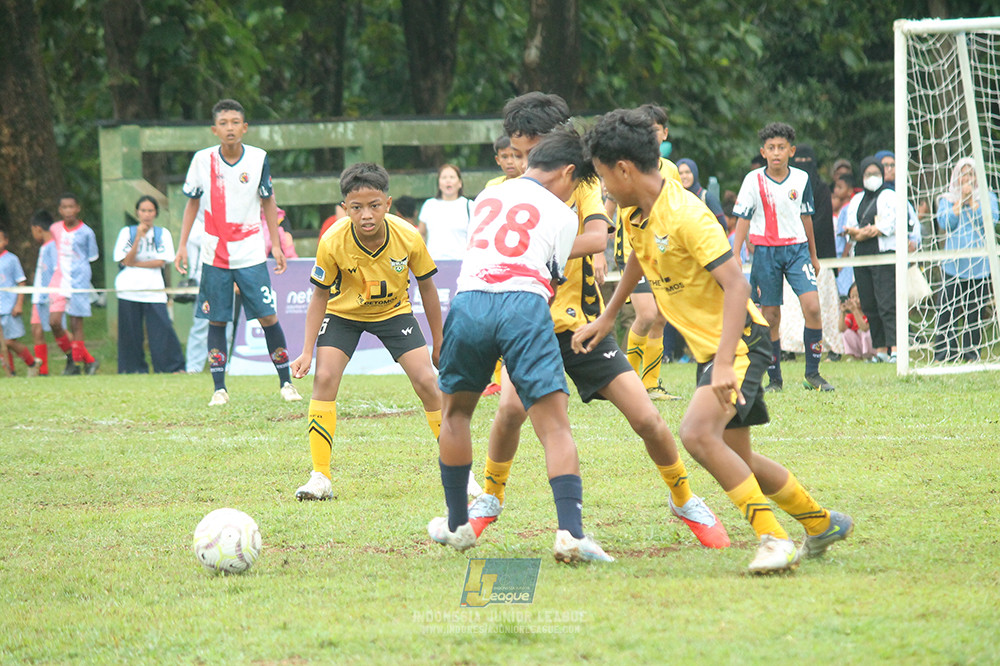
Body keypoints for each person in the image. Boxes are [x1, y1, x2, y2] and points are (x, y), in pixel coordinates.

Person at [577, 108, 852, 574]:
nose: (603, 188)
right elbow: (640, 258)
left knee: (697, 434)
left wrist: (724, 363)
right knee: (739, 458)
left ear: (623, 169)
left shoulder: (687, 214)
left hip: (739, 342)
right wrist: (607, 318)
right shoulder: (633, 212)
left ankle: (774, 538)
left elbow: (737, 285)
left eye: (603, 177)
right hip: (715, 349)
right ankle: (821, 523)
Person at [468, 96, 729, 553]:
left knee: (647, 418)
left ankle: (684, 499)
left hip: (581, 327)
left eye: (530, 152)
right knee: (509, 410)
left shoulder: (580, 181)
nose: (524, 164)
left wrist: (538, 248)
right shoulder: (504, 190)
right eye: (516, 153)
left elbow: (596, 237)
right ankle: (490, 497)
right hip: (528, 324)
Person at [427, 128, 614, 563]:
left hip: (470, 301)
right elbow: (552, 274)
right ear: (568, 172)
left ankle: (457, 525)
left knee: (455, 414)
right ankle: (570, 533)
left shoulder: (486, 197)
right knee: (555, 426)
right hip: (524, 305)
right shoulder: (563, 214)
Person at [290, 162, 451, 501]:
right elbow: (319, 295)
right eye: (356, 207)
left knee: (427, 381)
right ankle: (320, 477)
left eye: (374, 205)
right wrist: (306, 351)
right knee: (324, 378)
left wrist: (439, 343)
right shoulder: (332, 240)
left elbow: (428, 288)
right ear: (344, 208)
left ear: (387, 204)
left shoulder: (408, 236)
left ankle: (458, 470)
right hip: (344, 314)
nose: (366, 215)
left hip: (394, 312)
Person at [174, 98, 302, 406]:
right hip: (214, 254)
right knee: (217, 320)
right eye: (223, 123)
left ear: (244, 127)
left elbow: (268, 199)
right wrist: (182, 245)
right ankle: (219, 389)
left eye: (235, 122)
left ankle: (286, 383)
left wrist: (276, 244)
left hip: (251, 253)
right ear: (214, 129)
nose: (229, 128)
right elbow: (192, 202)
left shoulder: (258, 158)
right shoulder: (202, 160)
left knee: (268, 317)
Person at [732, 123, 834, 392]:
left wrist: (813, 254)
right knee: (770, 316)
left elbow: (806, 217)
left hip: (797, 250)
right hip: (765, 252)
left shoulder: (801, 179)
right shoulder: (753, 180)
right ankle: (774, 379)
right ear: (763, 152)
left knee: (812, 307)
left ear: (792, 151)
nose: (776, 153)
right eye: (771, 148)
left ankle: (812, 374)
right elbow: (742, 218)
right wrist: (736, 254)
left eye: (781, 147)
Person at [614, 104, 682, 400]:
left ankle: (650, 385)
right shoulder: (626, 166)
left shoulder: (670, 169)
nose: (651, 136)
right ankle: (627, 385)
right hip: (633, 250)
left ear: (665, 133)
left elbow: (676, 209)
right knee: (646, 314)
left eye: (655, 130)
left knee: (660, 318)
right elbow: (611, 203)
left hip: (661, 251)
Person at [934, 157, 1000, 362]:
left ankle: (971, 354)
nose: (967, 179)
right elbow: (945, 223)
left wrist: (972, 203)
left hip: (979, 266)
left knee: (975, 312)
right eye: (963, 174)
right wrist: (960, 202)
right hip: (953, 264)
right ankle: (944, 353)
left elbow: (991, 220)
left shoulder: (987, 196)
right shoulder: (947, 199)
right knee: (947, 309)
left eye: (971, 174)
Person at [112, 196, 185, 374]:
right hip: (128, 290)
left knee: (162, 328)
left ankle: (170, 367)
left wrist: (134, 263)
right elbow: (124, 259)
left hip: (154, 289)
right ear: (137, 212)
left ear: (155, 213)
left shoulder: (162, 234)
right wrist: (138, 237)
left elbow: (161, 261)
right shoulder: (127, 233)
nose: (146, 214)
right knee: (130, 332)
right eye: (143, 210)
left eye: (150, 210)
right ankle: (132, 368)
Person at [843, 157, 898, 362]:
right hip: (861, 257)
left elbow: (890, 225)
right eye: (868, 174)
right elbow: (850, 229)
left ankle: (896, 349)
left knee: (887, 303)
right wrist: (860, 234)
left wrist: (868, 232)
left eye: (875, 173)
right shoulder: (856, 200)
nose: (871, 177)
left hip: (883, 255)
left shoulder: (890, 196)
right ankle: (880, 350)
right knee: (869, 303)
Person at [792, 145, 843, 359]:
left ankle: (830, 346)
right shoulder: (790, 187)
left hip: (820, 256)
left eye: (807, 160)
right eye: (799, 160)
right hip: (791, 253)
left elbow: (820, 222)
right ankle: (791, 346)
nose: (803, 164)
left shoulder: (821, 189)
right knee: (793, 305)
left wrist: (806, 238)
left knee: (823, 302)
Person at [49, 193, 100, 375]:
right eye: (65, 207)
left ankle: (76, 364)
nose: (68, 210)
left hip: (78, 282)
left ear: (78, 208)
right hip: (59, 281)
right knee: (54, 322)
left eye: (71, 207)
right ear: (60, 210)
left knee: (76, 324)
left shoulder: (87, 232)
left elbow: (91, 257)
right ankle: (80, 359)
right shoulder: (55, 229)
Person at [0, 228, 41, 376]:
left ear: (6, 241)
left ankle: (32, 362)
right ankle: (11, 373)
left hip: (9, 308)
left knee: (9, 341)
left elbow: (21, 282)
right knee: (1, 344)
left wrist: (18, 304)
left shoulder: (11, 259)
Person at [417, 163, 473, 261]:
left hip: (462, 262)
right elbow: (421, 233)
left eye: (452, 177)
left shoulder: (469, 205)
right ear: (439, 184)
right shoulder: (429, 205)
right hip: (434, 263)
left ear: (460, 183)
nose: (448, 180)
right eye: (444, 177)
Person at [29, 210, 59, 375]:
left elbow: (56, 272)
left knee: (58, 329)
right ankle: (42, 371)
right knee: (36, 330)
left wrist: (52, 295)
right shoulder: (44, 247)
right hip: (38, 296)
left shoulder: (53, 246)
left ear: (38, 229)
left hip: (49, 297)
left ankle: (79, 358)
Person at [677, 158, 726, 230]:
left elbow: (722, 225)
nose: (684, 176)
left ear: (694, 173)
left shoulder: (707, 197)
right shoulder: (675, 199)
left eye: (687, 172)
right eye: (680, 173)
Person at [840, 284, 873, 360]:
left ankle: (869, 356)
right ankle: (855, 356)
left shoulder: (869, 312)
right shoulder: (851, 314)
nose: (856, 300)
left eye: (858, 296)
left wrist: (855, 310)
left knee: (866, 333)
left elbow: (864, 328)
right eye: (853, 297)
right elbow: (841, 329)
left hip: (871, 346)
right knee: (846, 333)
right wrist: (842, 312)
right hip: (860, 344)